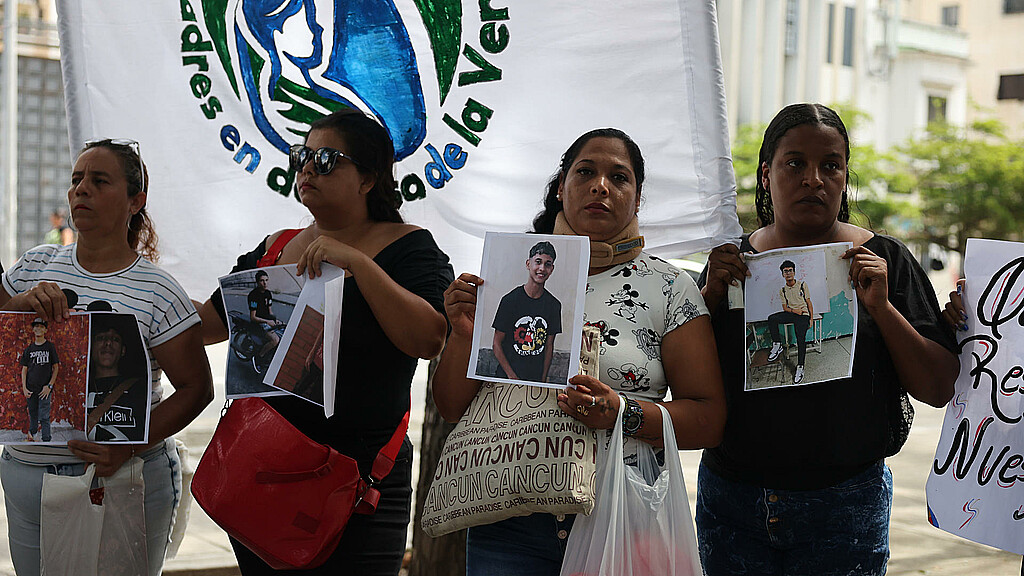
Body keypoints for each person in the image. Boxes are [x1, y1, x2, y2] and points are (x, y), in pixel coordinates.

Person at [434, 128, 726, 575]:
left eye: (619, 177)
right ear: (560, 187)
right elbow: (451, 405)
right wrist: (460, 335)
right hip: (510, 519)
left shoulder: (671, 289)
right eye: (585, 172)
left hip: (620, 518)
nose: (600, 186)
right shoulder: (504, 277)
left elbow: (708, 421)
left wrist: (622, 414)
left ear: (638, 197)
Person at [696, 103, 960, 576]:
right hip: (733, 505)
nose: (813, 179)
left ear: (844, 177)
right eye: (794, 163)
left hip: (846, 508)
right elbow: (684, 380)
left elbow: (938, 387)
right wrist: (711, 296)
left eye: (830, 166)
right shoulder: (730, 269)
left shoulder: (886, 261)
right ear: (765, 175)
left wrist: (880, 307)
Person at [197, 108, 453, 575]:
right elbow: (209, 324)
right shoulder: (277, 246)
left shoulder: (410, 245)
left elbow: (428, 337)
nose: (309, 167)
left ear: (368, 179)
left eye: (328, 158)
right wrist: (135, 295)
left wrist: (357, 262)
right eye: (303, 155)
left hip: (357, 481)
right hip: (266, 470)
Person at [0, 138, 214, 576]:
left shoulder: (158, 291)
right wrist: (20, 306)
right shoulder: (33, 266)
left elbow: (197, 389)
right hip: (26, 475)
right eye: (77, 179)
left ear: (136, 201)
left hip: (119, 477)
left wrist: (130, 446)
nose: (81, 190)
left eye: (99, 181)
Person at [491, 240, 562, 383]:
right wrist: (512, 378)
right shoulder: (509, 300)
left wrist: (542, 380)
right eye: (538, 262)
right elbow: (496, 344)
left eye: (547, 264)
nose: (542, 268)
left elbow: (549, 346)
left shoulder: (554, 305)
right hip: (506, 379)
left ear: (552, 269)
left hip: (534, 381)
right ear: (528, 264)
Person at [86, 322, 149, 442]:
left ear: (123, 351)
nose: (108, 343)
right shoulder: (76, 389)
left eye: (115, 339)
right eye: (101, 338)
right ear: (90, 347)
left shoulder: (139, 388)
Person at [765, 259, 814, 384]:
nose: (788, 273)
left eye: (790, 270)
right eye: (785, 271)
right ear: (782, 274)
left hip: (803, 315)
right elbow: (785, 308)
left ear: (794, 272)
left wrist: (811, 319)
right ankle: (777, 344)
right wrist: (794, 311)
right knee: (772, 318)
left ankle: (800, 367)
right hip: (792, 313)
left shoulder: (802, 285)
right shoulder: (783, 290)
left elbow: (809, 303)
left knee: (800, 337)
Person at [20, 317, 60, 442]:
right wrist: (24, 388)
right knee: (32, 413)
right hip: (31, 388)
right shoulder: (29, 349)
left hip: (44, 389)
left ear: (46, 330)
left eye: (41, 326)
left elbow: (56, 367)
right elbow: (24, 370)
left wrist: (49, 386)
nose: (38, 328)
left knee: (44, 416)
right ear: (33, 329)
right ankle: (32, 436)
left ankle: (46, 439)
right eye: (36, 326)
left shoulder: (49, 347)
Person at [247, 269, 282, 370]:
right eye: (262, 280)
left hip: (267, 321)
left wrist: (276, 320)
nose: (265, 283)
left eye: (266, 280)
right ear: (257, 282)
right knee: (275, 340)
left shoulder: (268, 293)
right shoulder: (253, 296)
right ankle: (258, 357)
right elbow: (253, 317)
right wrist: (267, 321)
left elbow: (269, 312)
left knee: (283, 332)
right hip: (258, 322)